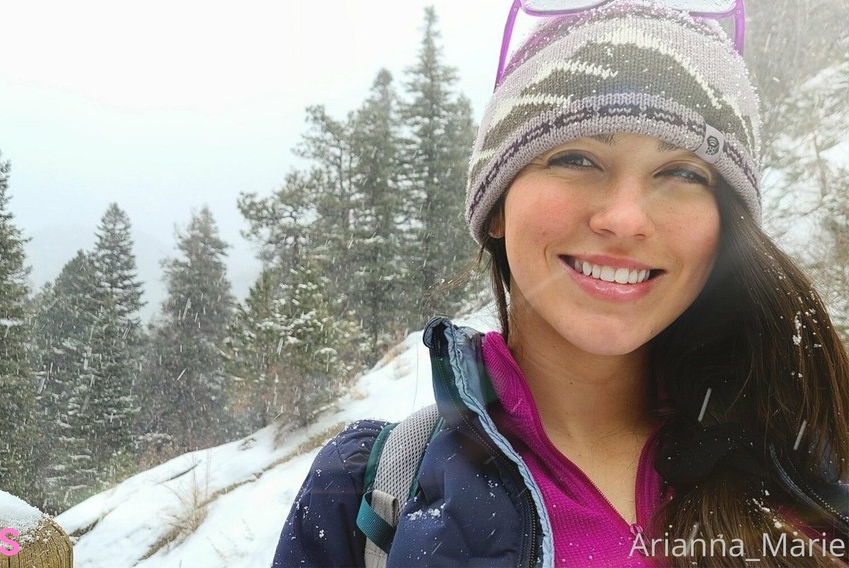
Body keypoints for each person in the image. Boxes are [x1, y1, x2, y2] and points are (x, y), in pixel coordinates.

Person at [271, 1, 849, 567]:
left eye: (680, 171)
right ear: (497, 207)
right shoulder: (370, 490)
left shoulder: (808, 462)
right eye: (576, 159)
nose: (625, 218)